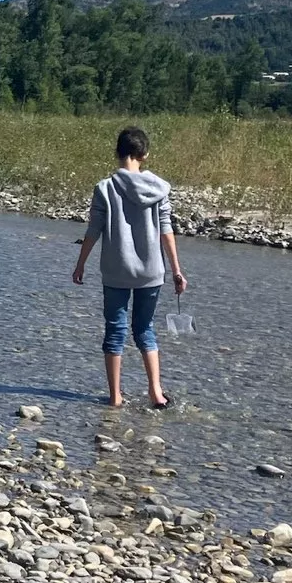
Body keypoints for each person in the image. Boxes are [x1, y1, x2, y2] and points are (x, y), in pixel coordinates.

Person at [71, 126, 186, 409]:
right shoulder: (159, 188)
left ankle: (115, 397)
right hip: (151, 271)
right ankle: (156, 392)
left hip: (116, 270)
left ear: (118, 153)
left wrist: (80, 264)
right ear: (143, 155)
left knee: (115, 330)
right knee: (145, 329)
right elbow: (166, 231)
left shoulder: (105, 188)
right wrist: (176, 270)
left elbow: (93, 230)